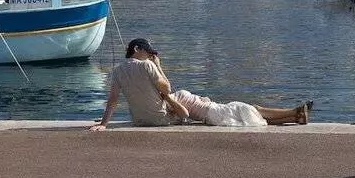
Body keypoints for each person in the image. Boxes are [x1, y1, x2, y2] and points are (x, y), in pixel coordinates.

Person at [89, 38, 311, 131]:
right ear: (137, 50)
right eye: (148, 52)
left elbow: (113, 101)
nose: (150, 56)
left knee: (232, 110)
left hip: (145, 119)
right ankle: (293, 112)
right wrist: (159, 66)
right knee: (237, 109)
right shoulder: (147, 66)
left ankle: (294, 115)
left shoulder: (118, 71)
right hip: (169, 113)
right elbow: (166, 89)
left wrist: (105, 124)